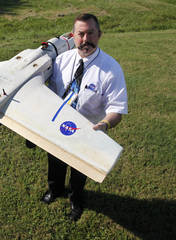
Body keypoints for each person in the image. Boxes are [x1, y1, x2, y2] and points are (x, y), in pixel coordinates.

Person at [40, 13, 128, 221]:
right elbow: (50, 91)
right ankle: (55, 190)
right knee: (55, 162)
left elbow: (117, 108)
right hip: (58, 126)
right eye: (81, 34)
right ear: (73, 36)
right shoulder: (61, 61)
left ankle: (76, 201)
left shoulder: (111, 70)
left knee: (80, 172)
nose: (85, 39)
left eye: (91, 33)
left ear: (99, 35)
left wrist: (104, 125)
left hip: (87, 130)